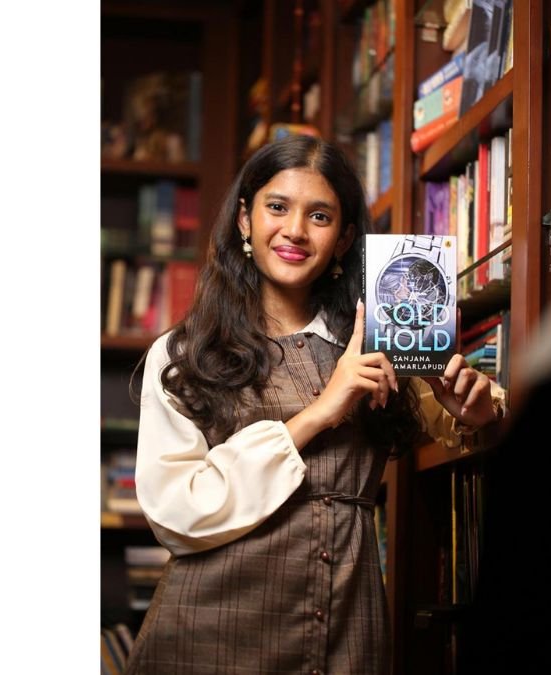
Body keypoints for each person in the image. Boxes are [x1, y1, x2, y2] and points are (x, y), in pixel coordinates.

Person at [124, 135, 502, 674]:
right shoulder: (186, 352)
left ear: (344, 238)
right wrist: (321, 411)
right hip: (207, 635)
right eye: (277, 207)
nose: (295, 230)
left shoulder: (381, 343)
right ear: (244, 220)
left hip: (345, 627)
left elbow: (470, 421)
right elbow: (175, 513)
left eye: (319, 216)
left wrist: (479, 415)